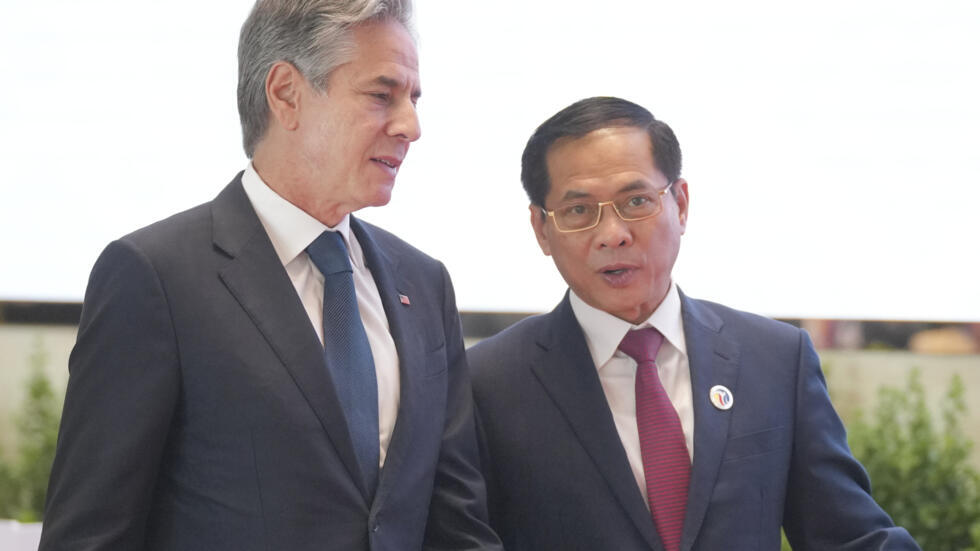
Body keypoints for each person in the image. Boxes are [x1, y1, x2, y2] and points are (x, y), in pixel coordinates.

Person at [39, 1, 501, 550]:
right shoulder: (155, 278)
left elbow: (457, 525)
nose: (411, 126)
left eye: (414, 99)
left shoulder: (425, 286)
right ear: (286, 93)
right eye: (383, 95)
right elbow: (89, 535)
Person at [467, 96, 920, 550]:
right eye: (578, 211)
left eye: (636, 201)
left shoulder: (776, 360)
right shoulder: (488, 383)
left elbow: (849, 536)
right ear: (541, 229)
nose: (612, 234)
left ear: (680, 205)